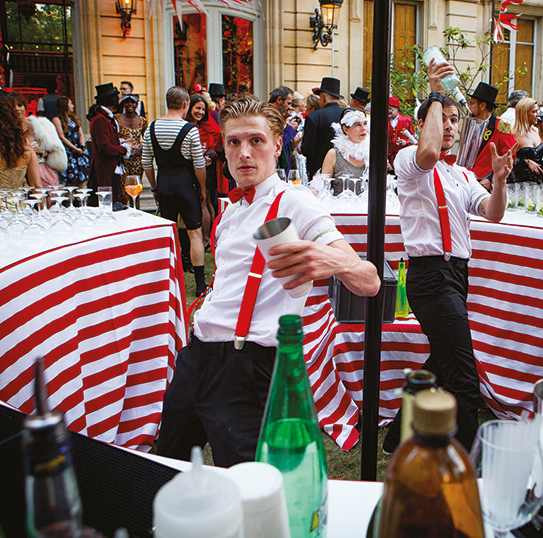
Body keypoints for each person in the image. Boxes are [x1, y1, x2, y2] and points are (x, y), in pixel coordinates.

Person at [156, 96, 379, 467]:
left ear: (277, 146)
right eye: (234, 142)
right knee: (165, 464)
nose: (244, 153)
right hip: (196, 357)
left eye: (256, 140)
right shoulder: (232, 210)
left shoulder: (294, 202)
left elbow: (368, 281)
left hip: (246, 366)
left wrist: (327, 258)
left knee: (250, 485)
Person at [382, 62, 517, 453]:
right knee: (464, 379)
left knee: (441, 363)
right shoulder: (410, 159)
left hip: (457, 275)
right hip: (430, 277)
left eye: (455, 120)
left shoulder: (462, 175)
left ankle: (396, 436)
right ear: (425, 122)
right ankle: (465, 462)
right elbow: (427, 152)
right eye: (442, 118)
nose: (450, 126)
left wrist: (501, 181)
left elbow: (493, 213)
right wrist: (436, 93)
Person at [143, 86, 208, 295]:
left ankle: (168, 282)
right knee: (195, 234)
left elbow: (146, 163)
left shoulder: (151, 127)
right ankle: (200, 285)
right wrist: (203, 188)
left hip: (164, 184)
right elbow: (199, 164)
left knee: (168, 235)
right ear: (185, 104)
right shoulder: (190, 129)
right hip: (186, 185)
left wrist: (154, 188)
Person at [466, 81, 516, 189]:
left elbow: (509, 158)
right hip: (468, 179)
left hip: (486, 183)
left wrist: (491, 179)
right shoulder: (471, 124)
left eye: (472, 103)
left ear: (482, 106)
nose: (469, 107)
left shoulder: (501, 126)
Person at [186, 93, 222, 242]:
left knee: (204, 202)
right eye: (198, 108)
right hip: (194, 166)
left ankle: (207, 238)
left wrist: (211, 151)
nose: (200, 112)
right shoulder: (187, 124)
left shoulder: (205, 123)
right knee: (204, 202)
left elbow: (218, 133)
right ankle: (209, 236)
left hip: (205, 166)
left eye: (203, 109)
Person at [11, 92, 65, 187]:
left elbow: (56, 150)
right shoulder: (7, 130)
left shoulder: (41, 125)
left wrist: (42, 151)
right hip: (18, 174)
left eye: (20, 105)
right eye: (13, 106)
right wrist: (17, 135)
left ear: (25, 107)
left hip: (42, 172)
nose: (17, 109)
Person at [87, 82, 129, 205]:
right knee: (106, 203)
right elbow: (104, 146)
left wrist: (122, 142)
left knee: (112, 199)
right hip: (105, 169)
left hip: (111, 167)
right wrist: (124, 149)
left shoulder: (106, 118)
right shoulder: (100, 119)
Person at [300, 77, 345, 178]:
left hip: (319, 173)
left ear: (323, 97)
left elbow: (307, 150)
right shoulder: (347, 115)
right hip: (342, 172)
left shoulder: (314, 117)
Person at [321, 108, 369, 195]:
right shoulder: (334, 154)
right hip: (341, 203)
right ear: (345, 129)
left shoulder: (373, 152)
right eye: (357, 125)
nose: (363, 128)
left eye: (365, 123)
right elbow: (322, 186)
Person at [53, 96, 90, 188]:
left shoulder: (73, 118)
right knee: (70, 181)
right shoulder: (57, 119)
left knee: (81, 179)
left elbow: (80, 133)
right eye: (70, 103)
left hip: (79, 151)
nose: (73, 106)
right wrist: (75, 148)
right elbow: (61, 137)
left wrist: (82, 146)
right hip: (68, 151)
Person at [509, 97, 543, 184]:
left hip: (539, 181)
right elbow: (507, 159)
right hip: (521, 182)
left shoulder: (536, 131)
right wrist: (526, 161)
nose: (538, 115)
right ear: (524, 114)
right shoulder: (513, 134)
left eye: (537, 111)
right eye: (534, 112)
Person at [117, 93, 146, 205]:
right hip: (122, 159)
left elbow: (146, 138)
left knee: (136, 189)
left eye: (133, 102)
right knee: (123, 191)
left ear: (137, 104)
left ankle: (136, 210)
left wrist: (142, 146)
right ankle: (123, 209)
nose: (130, 104)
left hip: (137, 161)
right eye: (127, 102)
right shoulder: (117, 118)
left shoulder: (142, 120)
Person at [386, 96, 415, 169]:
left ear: (396, 109)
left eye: (390, 109)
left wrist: (406, 142)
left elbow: (413, 137)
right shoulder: (384, 121)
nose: (388, 111)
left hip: (403, 156)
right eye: (387, 108)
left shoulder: (407, 120)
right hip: (388, 157)